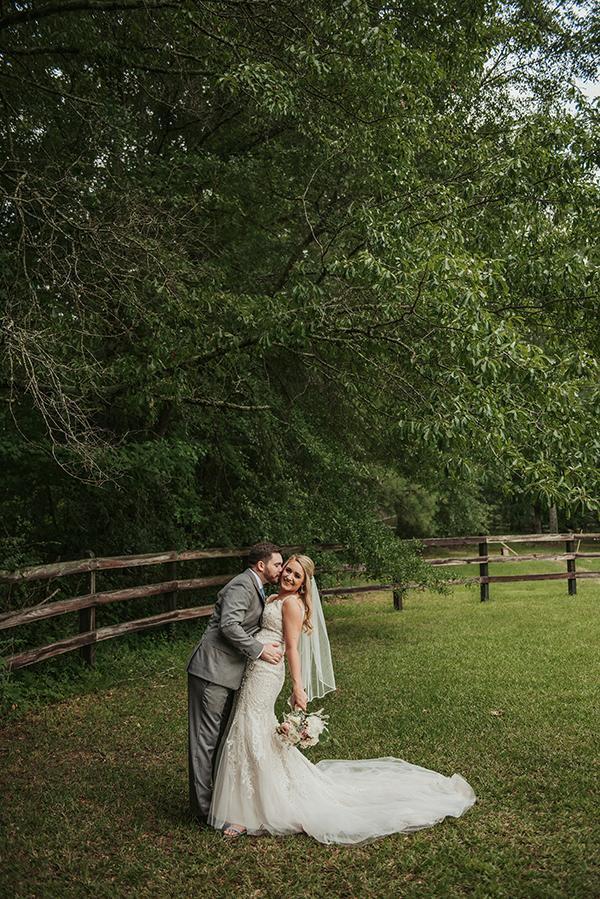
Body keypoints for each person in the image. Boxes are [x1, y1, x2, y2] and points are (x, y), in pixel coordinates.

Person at [209, 554, 476, 844]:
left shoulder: (292, 605)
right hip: (255, 668)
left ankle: (252, 811)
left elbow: (294, 648)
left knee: (253, 725)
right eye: (288, 570)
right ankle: (249, 802)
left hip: (268, 672)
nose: (289, 577)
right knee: (248, 725)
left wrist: (298, 687)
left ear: (303, 585)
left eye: (297, 576)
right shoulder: (273, 597)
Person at [186, 541, 284, 824]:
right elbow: (229, 625)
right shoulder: (242, 585)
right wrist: (259, 650)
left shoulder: (256, 586)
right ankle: (204, 812)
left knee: (218, 739)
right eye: (277, 564)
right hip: (211, 672)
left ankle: (219, 801)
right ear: (261, 565)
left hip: (227, 673)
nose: (281, 568)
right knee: (205, 742)